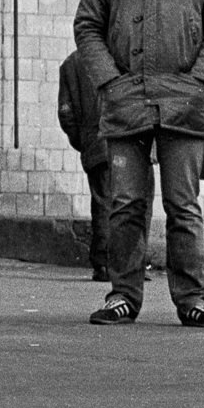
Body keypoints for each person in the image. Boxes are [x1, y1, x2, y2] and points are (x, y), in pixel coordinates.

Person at [72, 0, 204, 327]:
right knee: (126, 204)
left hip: (184, 99)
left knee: (183, 205)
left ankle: (193, 300)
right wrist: (110, 82)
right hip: (126, 101)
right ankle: (123, 296)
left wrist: (201, 81)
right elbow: (87, 28)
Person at [57, 48, 139, 284]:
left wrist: (82, 141)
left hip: (95, 144)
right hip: (125, 140)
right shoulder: (120, 54)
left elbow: (66, 113)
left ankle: (103, 264)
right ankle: (129, 265)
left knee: (103, 202)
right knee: (131, 203)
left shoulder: (70, 63)